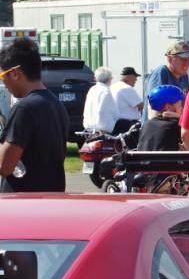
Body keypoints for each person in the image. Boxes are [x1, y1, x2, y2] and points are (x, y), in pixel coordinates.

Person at [0, 38, 68, 192]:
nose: (5, 85)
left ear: (15, 74)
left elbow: (5, 166)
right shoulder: (56, 104)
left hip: (23, 203)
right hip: (51, 196)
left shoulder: (24, 108)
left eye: (3, 78)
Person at [145, 40, 189, 123]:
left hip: (173, 128)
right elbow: (155, 112)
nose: (187, 63)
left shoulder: (184, 76)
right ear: (170, 59)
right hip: (159, 130)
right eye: (183, 59)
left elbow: (187, 106)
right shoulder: (161, 73)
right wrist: (182, 118)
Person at [138, 85, 185, 152]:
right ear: (168, 107)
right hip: (168, 162)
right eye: (180, 105)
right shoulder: (176, 125)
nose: (182, 109)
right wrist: (182, 117)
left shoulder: (146, 125)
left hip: (143, 162)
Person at [82, 66, 119, 133]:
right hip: (102, 127)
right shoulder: (105, 91)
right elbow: (102, 111)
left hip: (89, 126)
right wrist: (103, 128)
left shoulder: (92, 89)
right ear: (109, 79)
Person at [111, 66, 143, 134]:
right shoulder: (126, 88)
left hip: (114, 124)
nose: (136, 80)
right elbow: (141, 106)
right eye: (135, 77)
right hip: (127, 126)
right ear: (129, 77)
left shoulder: (112, 87)